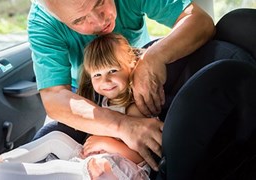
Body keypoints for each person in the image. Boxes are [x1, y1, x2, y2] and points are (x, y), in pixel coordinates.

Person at [28, 0, 215, 170]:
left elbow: (199, 20)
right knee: (47, 141)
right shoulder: (43, 22)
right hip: (84, 98)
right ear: (58, 18)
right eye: (79, 20)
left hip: (135, 80)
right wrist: (122, 125)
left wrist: (153, 57)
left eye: (99, 2)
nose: (99, 21)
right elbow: (54, 97)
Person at [0, 33, 152, 179]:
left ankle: (0, 174)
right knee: (55, 138)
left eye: (113, 70)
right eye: (97, 75)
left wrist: (105, 142)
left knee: (59, 167)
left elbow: (142, 156)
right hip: (97, 160)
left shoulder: (134, 107)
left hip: (124, 171)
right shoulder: (104, 102)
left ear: (131, 65)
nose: (105, 80)